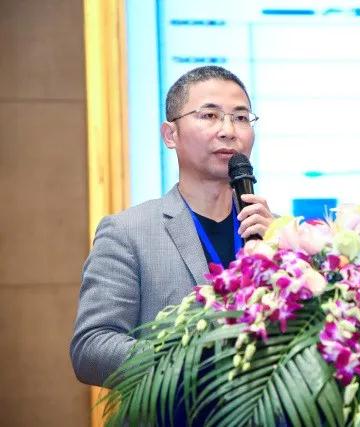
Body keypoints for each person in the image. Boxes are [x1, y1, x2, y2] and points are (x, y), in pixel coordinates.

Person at [70, 66, 274, 387]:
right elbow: (91, 349)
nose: (228, 130)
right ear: (170, 135)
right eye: (209, 115)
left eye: (240, 117)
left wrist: (282, 250)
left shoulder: (277, 234)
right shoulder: (127, 233)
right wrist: (197, 365)